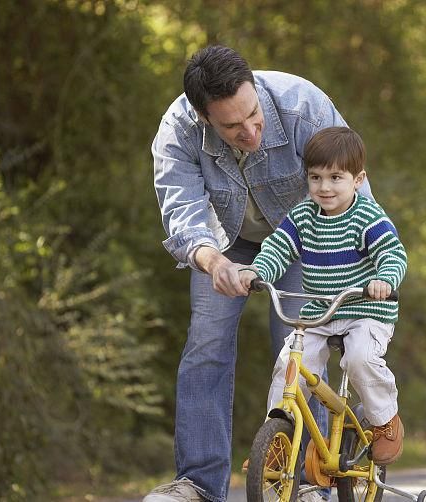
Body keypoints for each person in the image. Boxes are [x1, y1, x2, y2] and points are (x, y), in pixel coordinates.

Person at [146, 45, 373, 502]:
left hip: (304, 240)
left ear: (255, 90)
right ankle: (197, 485)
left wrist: (368, 266)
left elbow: (355, 192)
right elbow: (183, 212)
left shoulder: (302, 107)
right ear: (203, 116)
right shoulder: (179, 130)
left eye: (253, 115)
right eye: (232, 126)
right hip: (222, 243)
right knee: (206, 343)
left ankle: (311, 485)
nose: (249, 131)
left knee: (299, 352)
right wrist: (213, 262)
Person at [238, 126, 408, 467]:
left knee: (360, 357)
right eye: (315, 178)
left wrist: (384, 280)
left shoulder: (367, 216)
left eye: (335, 177)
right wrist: (257, 272)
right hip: (321, 311)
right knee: (289, 364)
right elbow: (279, 247)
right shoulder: (303, 216)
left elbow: (393, 254)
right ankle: (279, 435)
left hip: (365, 308)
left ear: (358, 180)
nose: (324, 187)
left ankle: (386, 419)